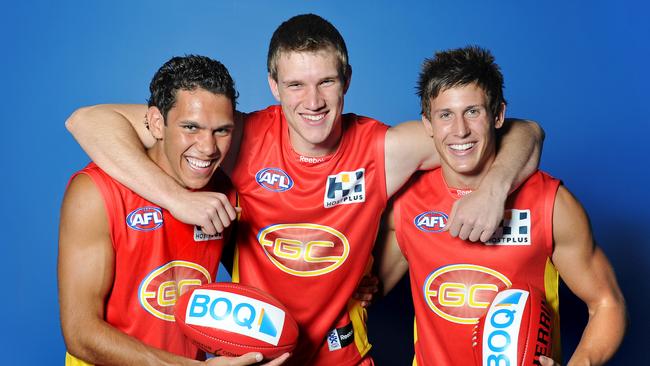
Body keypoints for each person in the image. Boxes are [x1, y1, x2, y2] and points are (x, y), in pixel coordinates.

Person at [65, 15, 543, 365]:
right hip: (257, 354)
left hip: (343, 353)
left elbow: (522, 130)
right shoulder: (235, 137)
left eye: (326, 82)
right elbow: (87, 121)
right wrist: (179, 200)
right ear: (273, 85)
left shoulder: (383, 149)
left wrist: (494, 189)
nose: (312, 102)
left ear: (347, 81)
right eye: (295, 84)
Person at [375, 46, 627, 366]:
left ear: (498, 115)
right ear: (428, 124)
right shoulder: (407, 204)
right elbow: (363, 290)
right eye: (445, 115)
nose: (460, 130)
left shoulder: (551, 203)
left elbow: (608, 302)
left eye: (473, 112)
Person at [58, 55, 289, 366]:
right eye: (191, 127)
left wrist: (356, 280)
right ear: (156, 123)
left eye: (221, 130)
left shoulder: (225, 192)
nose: (208, 147)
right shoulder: (95, 193)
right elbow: (81, 333)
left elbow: (263, 270)